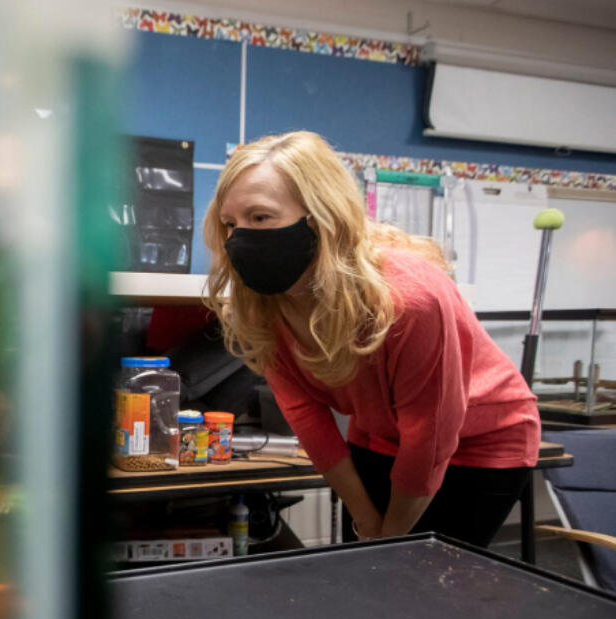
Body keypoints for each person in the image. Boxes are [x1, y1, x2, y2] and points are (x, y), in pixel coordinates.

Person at [203, 131, 540, 547]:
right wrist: (366, 521)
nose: (241, 238)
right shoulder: (262, 306)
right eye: (230, 224)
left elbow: (429, 434)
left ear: (321, 216)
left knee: (431, 582)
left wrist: (391, 537)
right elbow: (307, 417)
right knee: (366, 569)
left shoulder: (409, 299)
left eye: (260, 217)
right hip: (381, 434)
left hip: (481, 437)